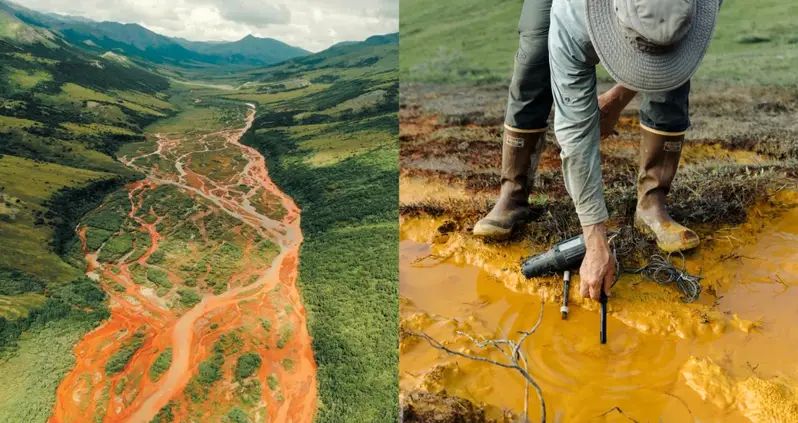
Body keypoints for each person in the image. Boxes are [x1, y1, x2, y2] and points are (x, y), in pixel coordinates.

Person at [473, 0, 719, 301]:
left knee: (671, 79)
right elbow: (576, 133)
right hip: (578, 13)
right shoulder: (571, 16)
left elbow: (665, 47)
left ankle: (651, 204)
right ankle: (512, 194)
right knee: (534, 57)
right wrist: (595, 241)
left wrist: (618, 96)